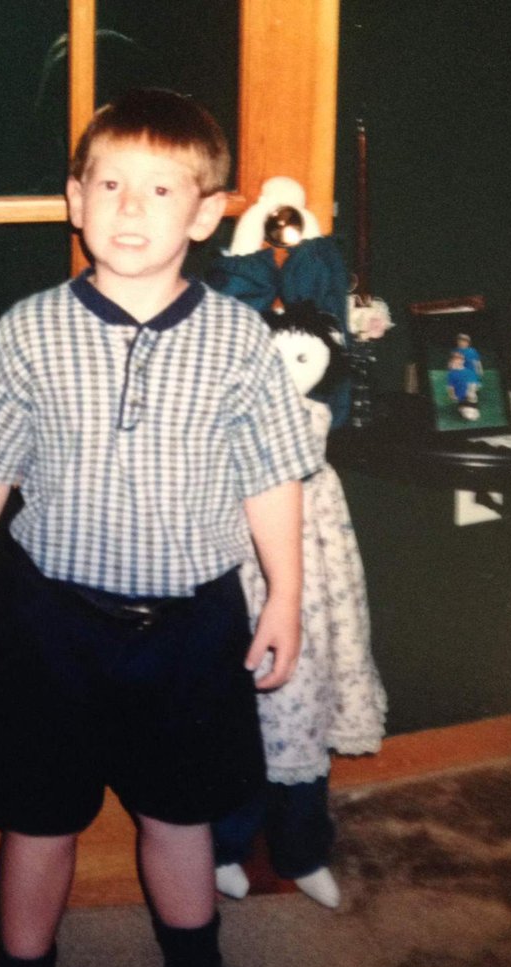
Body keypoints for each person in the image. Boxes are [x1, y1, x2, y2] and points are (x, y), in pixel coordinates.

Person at [0, 88, 322, 967]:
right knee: (37, 821)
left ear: (203, 213)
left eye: (159, 189)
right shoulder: (26, 332)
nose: (128, 208)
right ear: (74, 199)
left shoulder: (240, 344)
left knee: (180, 816)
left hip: (189, 628)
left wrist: (282, 594)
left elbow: (270, 479)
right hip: (50, 625)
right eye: (107, 184)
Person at [210, 304, 386, 910]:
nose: (288, 372)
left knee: (301, 723)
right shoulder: (231, 423)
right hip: (242, 584)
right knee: (234, 728)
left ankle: (303, 851)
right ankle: (223, 848)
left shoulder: (315, 429)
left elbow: (332, 540)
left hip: (308, 597)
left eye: (304, 359)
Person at [446, 349, 480, 419]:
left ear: (463, 361)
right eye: (455, 360)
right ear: (452, 362)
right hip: (460, 398)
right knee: (467, 416)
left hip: (470, 397)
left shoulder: (469, 372)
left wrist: (470, 394)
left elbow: (474, 385)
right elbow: (450, 387)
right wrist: (452, 395)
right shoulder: (451, 374)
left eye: (459, 360)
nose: (457, 362)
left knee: (472, 417)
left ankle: (471, 407)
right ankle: (464, 408)